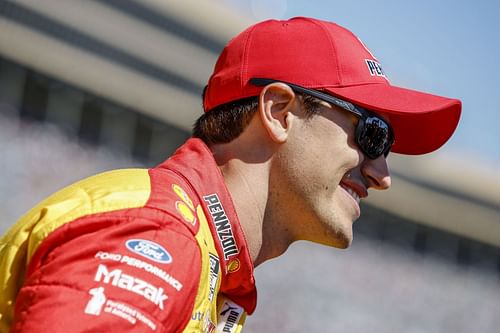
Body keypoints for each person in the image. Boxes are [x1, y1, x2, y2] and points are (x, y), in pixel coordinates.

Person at [0, 17, 461, 333]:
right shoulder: (160, 236)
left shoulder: (203, 253)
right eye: (374, 136)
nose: (382, 174)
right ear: (280, 112)